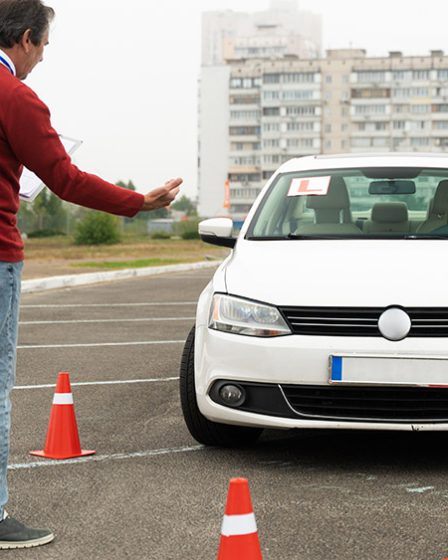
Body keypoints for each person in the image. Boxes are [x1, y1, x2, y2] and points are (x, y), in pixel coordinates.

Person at [0, 0, 182, 549]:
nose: (41, 60)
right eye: (45, 47)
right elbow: (64, 178)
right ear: (26, 38)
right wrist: (137, 202)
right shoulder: (16, 96)